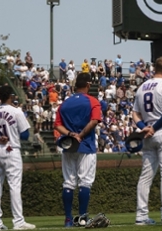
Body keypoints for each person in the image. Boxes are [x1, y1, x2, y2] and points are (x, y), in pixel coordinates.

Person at [132, 56, 162, 225]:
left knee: (146, 176)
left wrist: (143, 126)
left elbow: (135, 113)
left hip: (147, 133)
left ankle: (141, 216)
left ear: (154, 69)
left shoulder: (142, 87)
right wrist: (155, 128)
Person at [54, 73, 102, 227]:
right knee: (85, 182)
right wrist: (80, 135)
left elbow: (57, 125)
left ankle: (68, 219)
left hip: (68, 146)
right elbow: (94, 120)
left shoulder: (65, 103)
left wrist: (70, 134)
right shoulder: (92, 101)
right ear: (88, 85)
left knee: (68, 183)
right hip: (86, 145)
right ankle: (82, 218)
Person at [0, 85, 35, 230]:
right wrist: (13, 135)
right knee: (14, 186)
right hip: (11, 150)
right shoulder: (16, 111)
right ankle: (18, 221)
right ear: (10, 96)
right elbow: (25, 135)